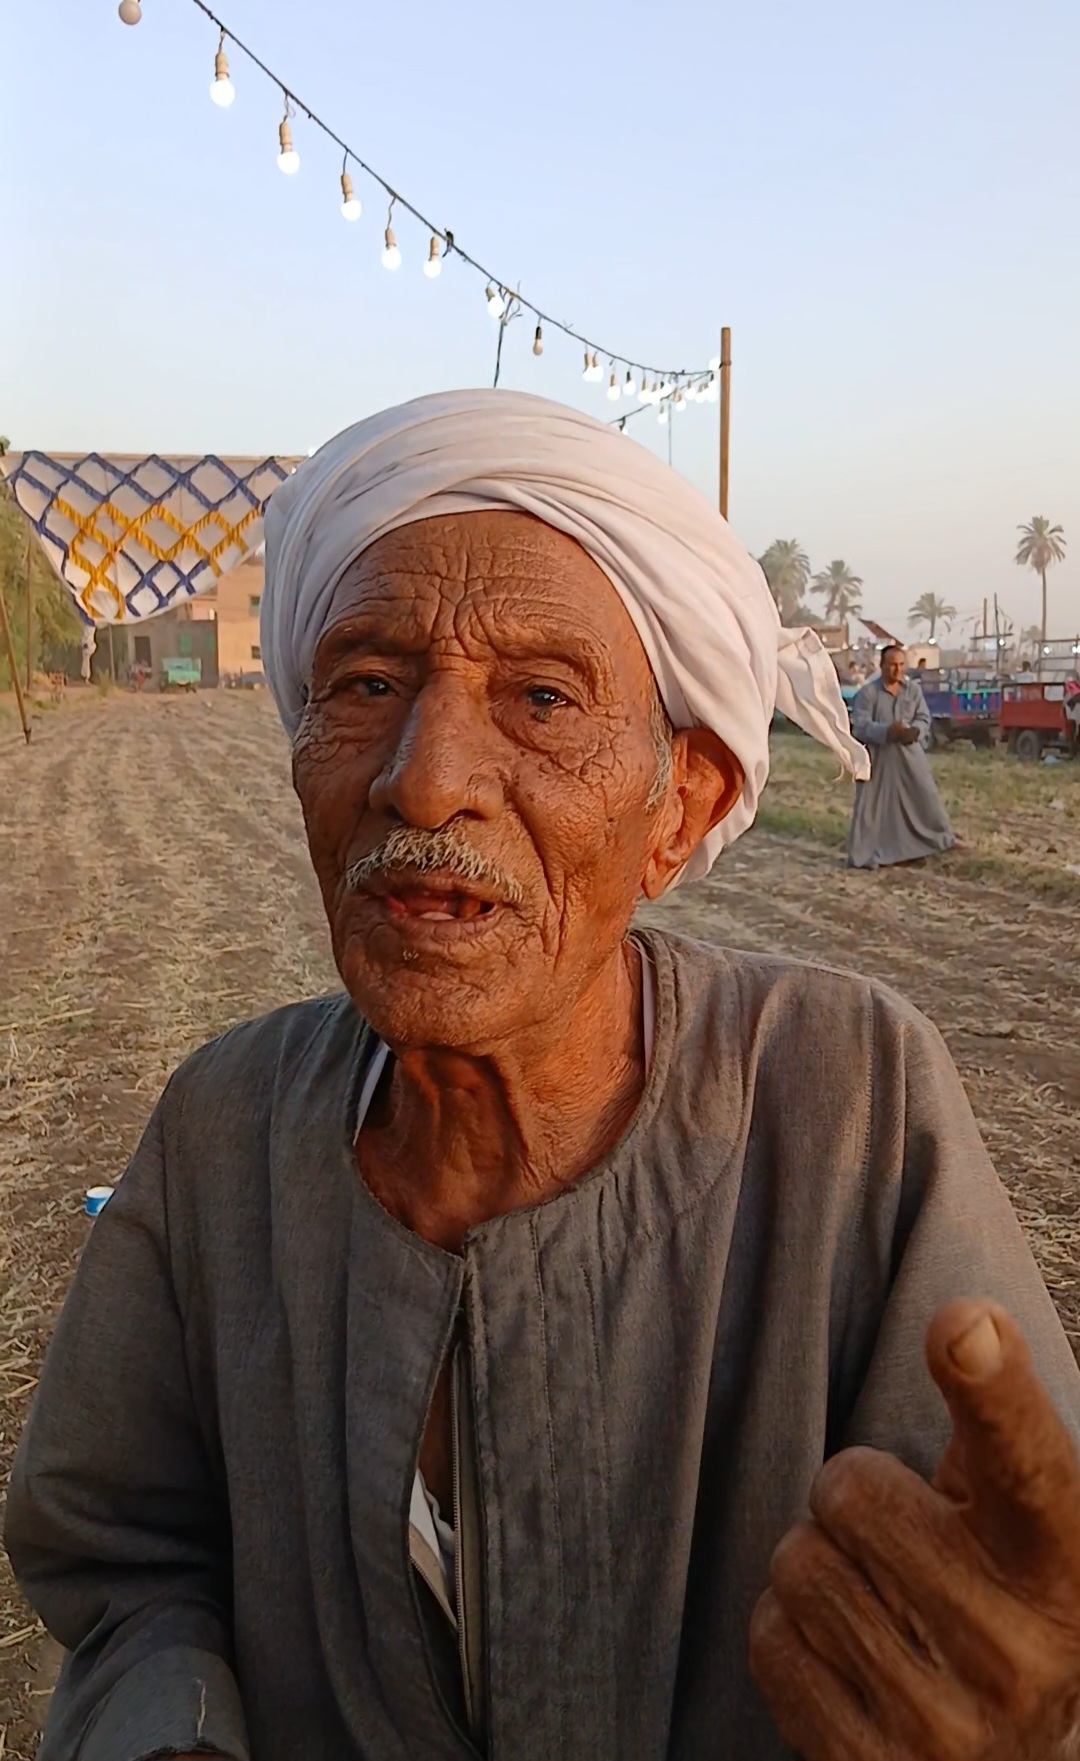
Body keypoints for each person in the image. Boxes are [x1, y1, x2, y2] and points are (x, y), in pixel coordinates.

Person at [7, 391, 1080, 1761]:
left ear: (677, 808)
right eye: (368, 684)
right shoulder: (220, 1132)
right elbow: (127, 1570)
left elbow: (1014, 1612)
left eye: (543, 699)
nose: (426, 777)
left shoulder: (850, 1101)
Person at [847, 642, 957, 869]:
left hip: (909, 756)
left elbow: (924, 717)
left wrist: (915, 731)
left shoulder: (913, 691)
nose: (897, 670)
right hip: (879, 759)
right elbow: (860, 726)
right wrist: (886, 731)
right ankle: (868, 853)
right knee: (872, 809)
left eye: (901, 665)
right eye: (892, 665)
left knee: (925, 797)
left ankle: (938, 840)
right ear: (881, 665)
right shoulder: (867, 694)